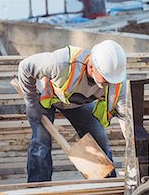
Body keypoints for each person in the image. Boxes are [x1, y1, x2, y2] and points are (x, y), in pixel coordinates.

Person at [18, 39, 128, 182]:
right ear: (91, 66)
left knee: (98, 137)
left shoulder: (117, 80)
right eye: (106, 79)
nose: (110, 83)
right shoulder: (61, 63)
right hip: (46, 96)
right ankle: (38, 186)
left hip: (77, 102)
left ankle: (106, 183)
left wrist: (132, 143)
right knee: (41, 140)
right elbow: (25, 67)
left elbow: (125, 117)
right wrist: (32, 104)